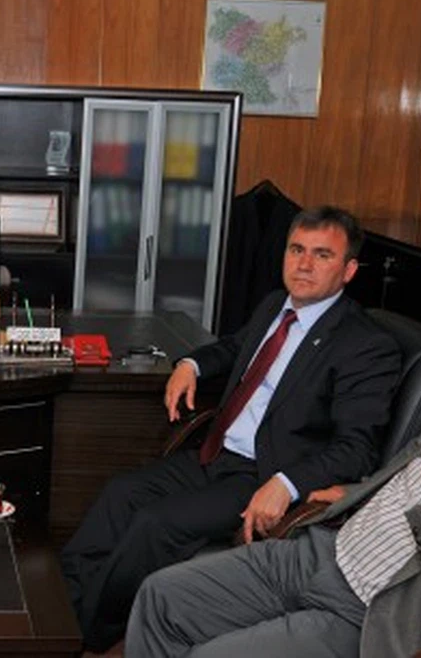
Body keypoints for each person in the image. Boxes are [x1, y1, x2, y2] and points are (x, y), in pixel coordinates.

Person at [127, 317, 421, 658]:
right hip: (325, 549)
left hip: (374, 616)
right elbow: (414, 454)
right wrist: (359, 490)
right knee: (160, 596)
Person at [62, 207, 402, 651]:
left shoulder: (366, 345)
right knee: (119, 494)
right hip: (214, 455)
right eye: (296, 250)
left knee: (153, 524)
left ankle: (86, 634)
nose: (304, 264)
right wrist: (191, 364)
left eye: (322, 255)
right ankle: (60, 608)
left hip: (262, 475)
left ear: (349, 270)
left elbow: (357, 449)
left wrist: (286, 483)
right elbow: (233, 349)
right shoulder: (275, 306)